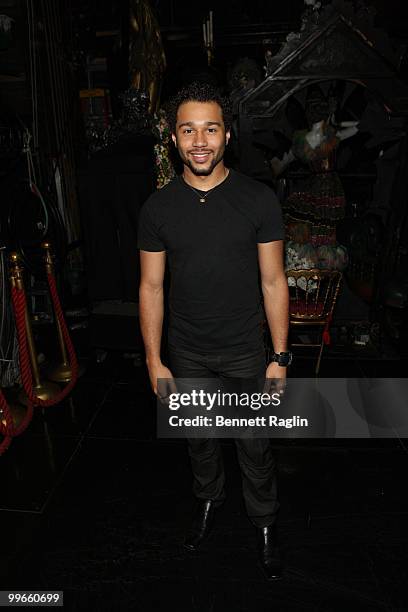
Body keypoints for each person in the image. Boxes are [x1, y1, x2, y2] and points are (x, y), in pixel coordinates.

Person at [137, 82, 291, 581]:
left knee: (255, 446)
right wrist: (154, 360)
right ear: (174, 139)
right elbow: (151, 288)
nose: (199, 140)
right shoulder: (157, 209)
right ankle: (208, 502)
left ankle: (264, 521)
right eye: (188, 129)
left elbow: (273, 280)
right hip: (187, 353)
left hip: (247, 351)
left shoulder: (258, 199)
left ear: (227, 135)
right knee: (200, 440)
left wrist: (281, 355)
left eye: (210, 128)